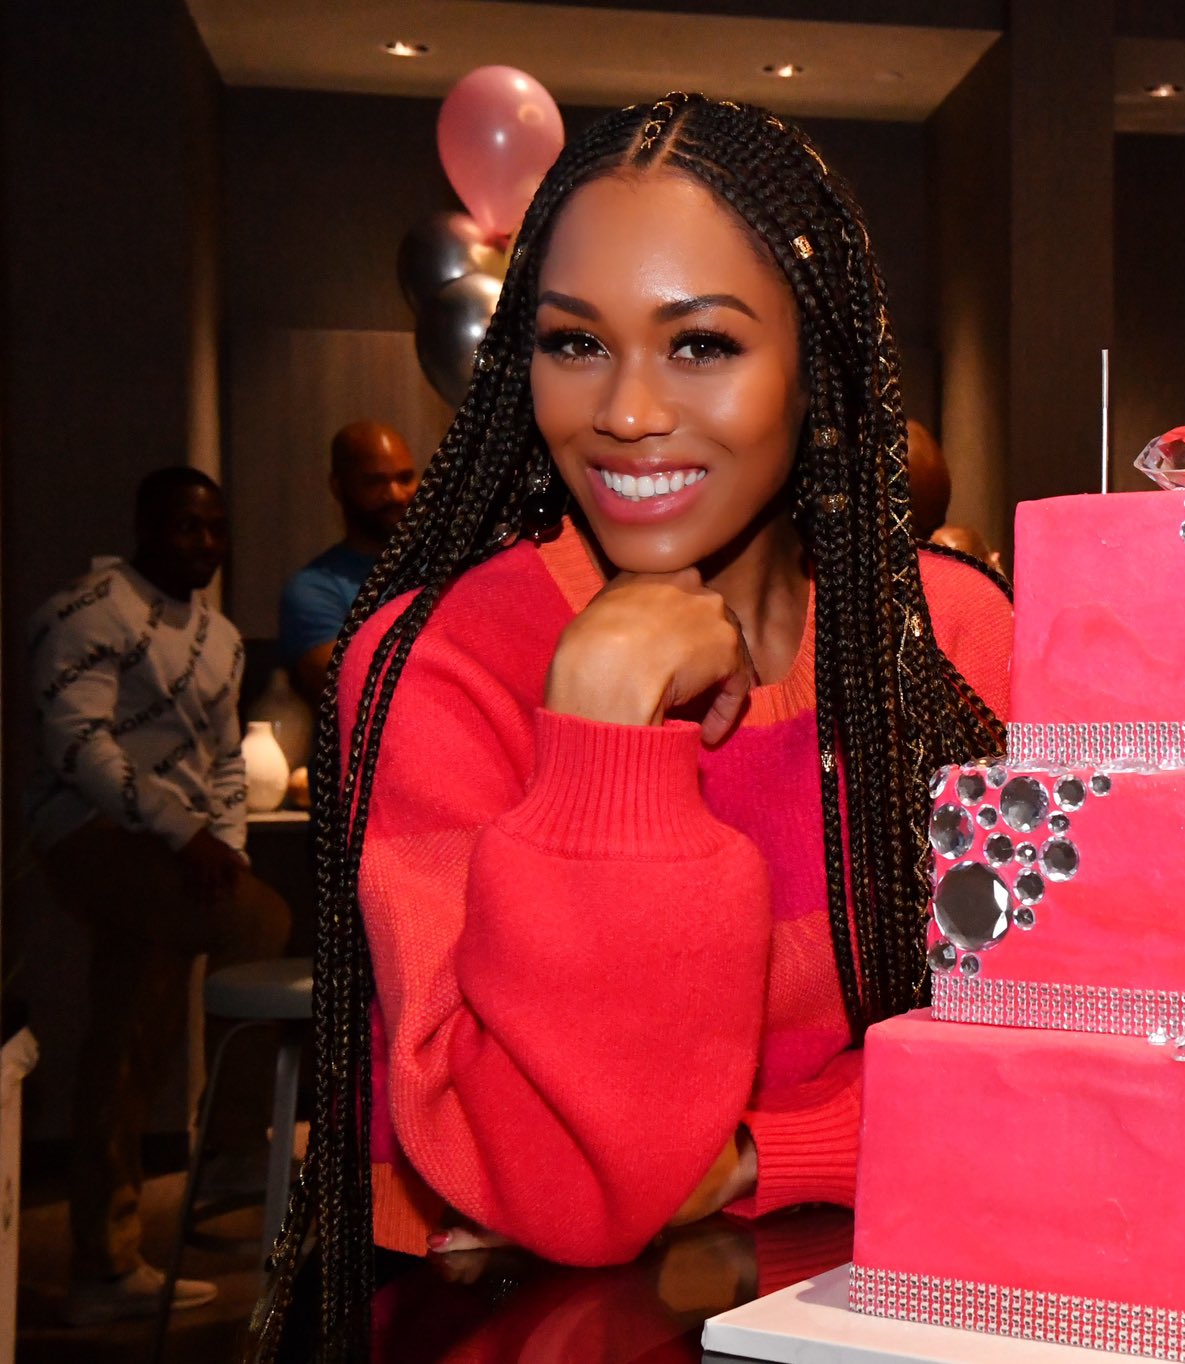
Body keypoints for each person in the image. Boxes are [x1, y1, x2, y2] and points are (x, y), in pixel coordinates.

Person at [252, 94, 1011, 1359]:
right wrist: (601, 735)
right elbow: (566, 1182)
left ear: (811, 361)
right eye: (573, 342)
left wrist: (767, 1147)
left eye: (701, 343)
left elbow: (1081, 1052)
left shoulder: (953, 642)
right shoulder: (437, 664)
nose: (624, 411)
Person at [26, 468, 291, 1324]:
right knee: (257, 925)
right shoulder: (89, 610)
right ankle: (225, 1157)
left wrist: (230, 846)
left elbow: (219, 760)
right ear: (146, 525)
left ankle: (109, 1261)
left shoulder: (217, 636)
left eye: (216, 531)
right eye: (187, 529)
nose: (205, 546)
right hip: (94, 835)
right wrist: (190, 838)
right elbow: (78, 745)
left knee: (133, 1019)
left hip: (175, 850)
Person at [278, 421, 419, 700]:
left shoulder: (444, 568)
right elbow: (352, 688)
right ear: (338, 487)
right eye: (374, 482)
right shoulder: (314, 589)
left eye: (405, 478)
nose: (395, 495)